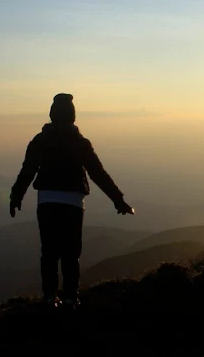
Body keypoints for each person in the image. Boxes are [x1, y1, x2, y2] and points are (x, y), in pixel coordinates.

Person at [9, 93, 134, 309]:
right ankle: (69, 298)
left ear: (51, 115)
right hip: (73, 203)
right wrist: (118, 201)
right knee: (70, 252)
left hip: (46, 201)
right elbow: (98, 174)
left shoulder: (39, 141)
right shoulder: (81, 143)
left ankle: (49, 298)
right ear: (73, 117)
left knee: (49, 251)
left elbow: (27, 171)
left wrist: (16, 196)